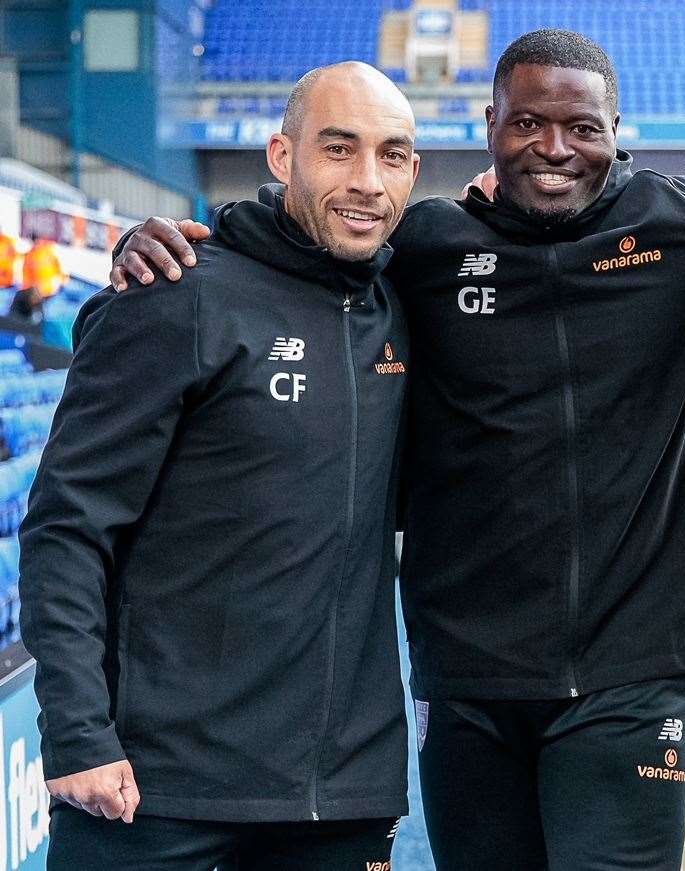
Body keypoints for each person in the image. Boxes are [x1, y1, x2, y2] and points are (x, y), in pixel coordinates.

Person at [111, 31, 685, 871]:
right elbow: (306, 250)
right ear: (489, 128)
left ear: (617, 131)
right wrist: (178, 240)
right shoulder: (428, 246)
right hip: (468, 671)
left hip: (632, 664)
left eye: (580, 127)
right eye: (527, 124)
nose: (554, 148)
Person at [19, 61, 420, 870]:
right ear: (282, 155)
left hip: (340, 793)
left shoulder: (407, 305)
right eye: (338, 148)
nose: (367, 181)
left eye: (392, 154)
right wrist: (75, 730)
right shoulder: (174, 293)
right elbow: (67, 526)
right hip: (156, 789)